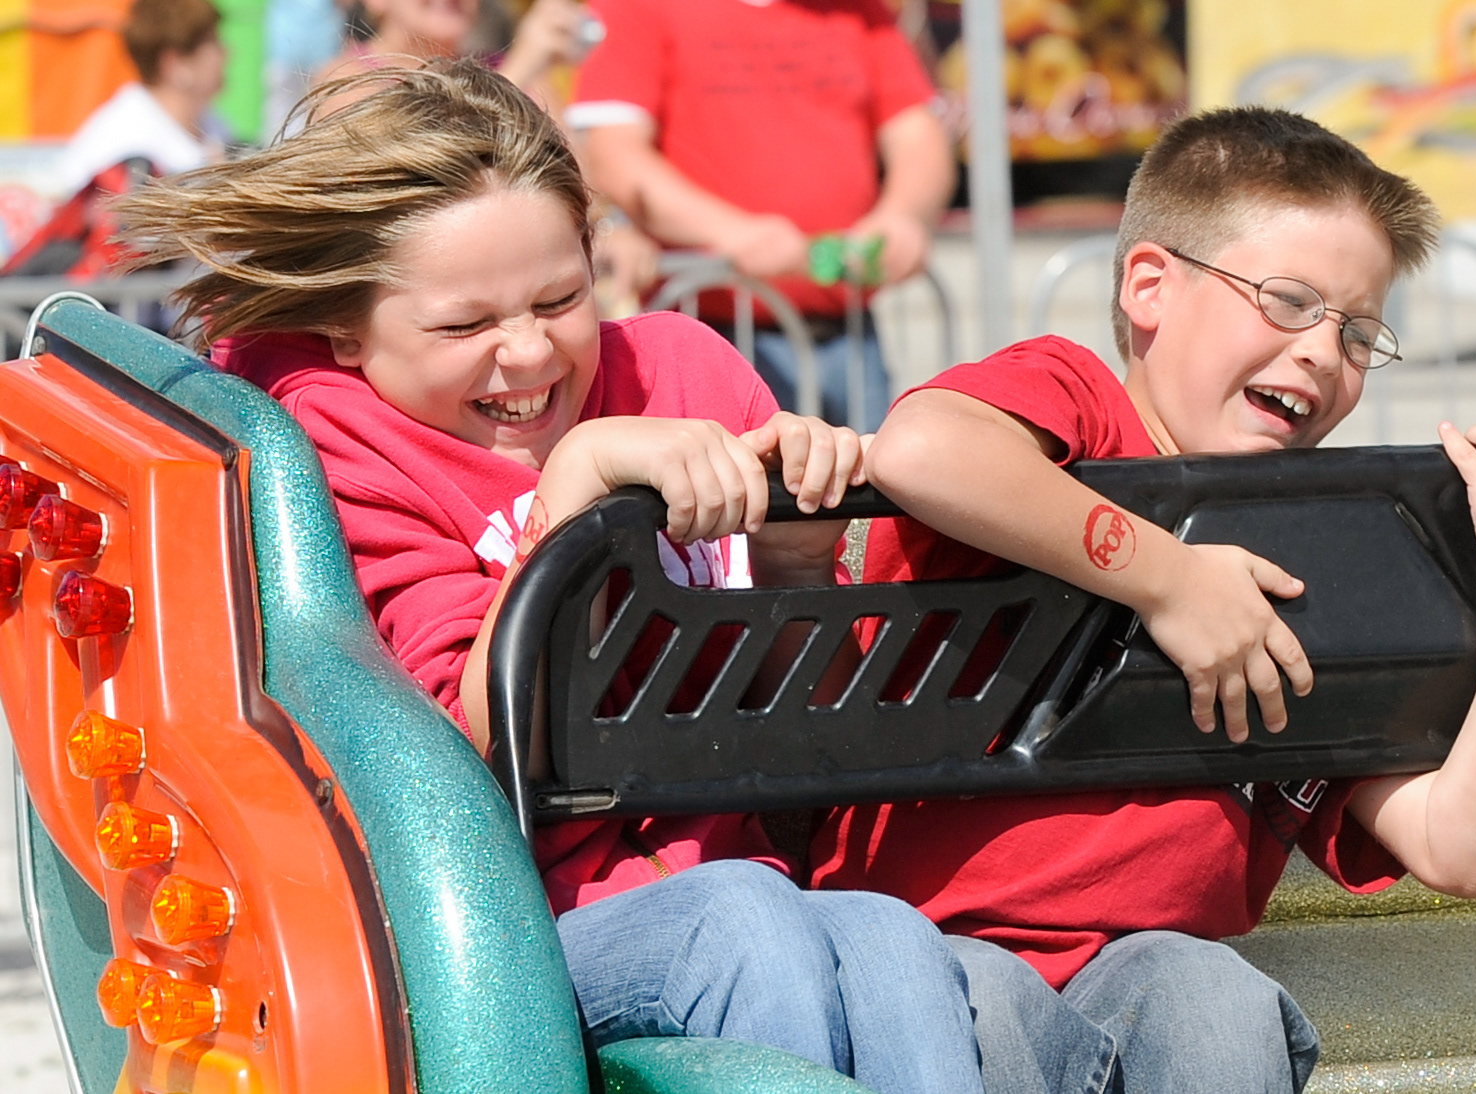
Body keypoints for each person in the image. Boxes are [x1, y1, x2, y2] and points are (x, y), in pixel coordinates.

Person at [115, 60, 984, 1094]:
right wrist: (572, 493)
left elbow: (819, 715)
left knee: (890, 941)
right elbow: (458, 777)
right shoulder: (333, 445)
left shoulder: (687, 372)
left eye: (559, 298)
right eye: (462, 326)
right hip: (498, 929)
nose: (525, 352)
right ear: (348, 325)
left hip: (740, 873)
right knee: (741, 924)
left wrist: (797, 571)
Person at [811, 107, 1476, 1094]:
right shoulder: (1075, 403)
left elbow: (1463, 841)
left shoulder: (1316, 559)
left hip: (1154, 980)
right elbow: (923, 451)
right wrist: (1170, 577)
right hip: (929, 961)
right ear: (1150, 286)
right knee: (983, 1003)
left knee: (1214, 998)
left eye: (1359, 331)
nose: (1324, 351)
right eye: (1287, 300)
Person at [567, 0, 956, 430]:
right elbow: (613, 155)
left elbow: (920, 137)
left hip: (849, 333)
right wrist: (732, 234)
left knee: (873, 494)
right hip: (711, 338)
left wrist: (901, 217)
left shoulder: (861, 12)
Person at [54, 0, 228, 199]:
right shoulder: (124, 141)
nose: (226, 52)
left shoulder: (212, 125)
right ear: (176, 63)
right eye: (212, 41)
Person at [316, 0, 592, 110]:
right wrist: (516, 74)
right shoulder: (347, 79)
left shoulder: (516, 69)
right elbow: (413, 171)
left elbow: (582, 182)